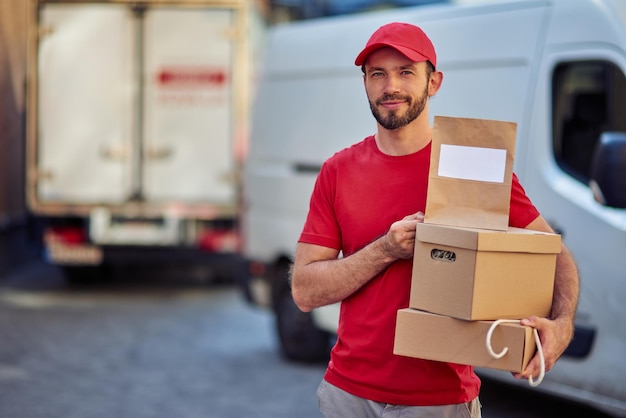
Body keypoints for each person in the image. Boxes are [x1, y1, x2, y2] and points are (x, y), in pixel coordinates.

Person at [290, 22, 580, 418]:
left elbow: (555, 254)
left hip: (439, 401)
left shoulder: (474, 167)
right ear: (365, 83)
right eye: (378, 73)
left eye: (406, 71)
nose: (390, 86)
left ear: (434, 82)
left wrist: (562, 325)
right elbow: (305, 291)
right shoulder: (338, 170)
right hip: (347, 394)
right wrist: (385, 250)